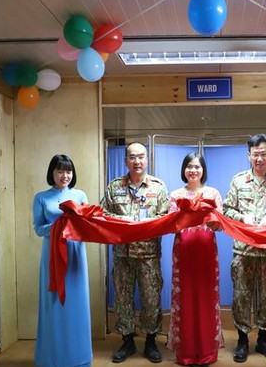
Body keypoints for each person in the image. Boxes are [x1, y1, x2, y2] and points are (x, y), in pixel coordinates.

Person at [222, 134, 266, 363]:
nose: (259, 158)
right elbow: (227, 210)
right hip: (243, 251)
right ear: (248, 156)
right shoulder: (238, 180)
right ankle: (242, 339)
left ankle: (263, 338)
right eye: (255, 154)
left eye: (263, 153)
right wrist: (244, 217)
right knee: (241, 295)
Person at [102, 142, 169, 364]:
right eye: (132, 157)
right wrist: (125, 221)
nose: (137, 161)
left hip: (149, 254)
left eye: (141, 157)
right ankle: (127, 340)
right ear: (126, 161)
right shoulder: (114, 187)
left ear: (147, 159)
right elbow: (103, 214)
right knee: (123, 298)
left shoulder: (158, 187)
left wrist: (147, 223)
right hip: (123, 255)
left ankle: (150, 340)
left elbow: (166, 218)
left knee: (151, 299)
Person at [32, 154, 92, 367]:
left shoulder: (80, 195)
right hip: (52, 255)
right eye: (60, 171)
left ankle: (79, 357)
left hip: (75, 254)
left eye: (68, 171)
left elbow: (87, 225)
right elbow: (38, 229)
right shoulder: (41, 197)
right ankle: (52, 357)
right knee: (54, 303)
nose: (64, 175)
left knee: (77, 303)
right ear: (52, 173)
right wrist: (59, 226)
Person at [167, 153, 225, 367]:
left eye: (197, 167)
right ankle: (187, 353)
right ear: (184, 169)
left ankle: (207, 351)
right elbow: (171, 224)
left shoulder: (213, 193)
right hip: (183, 252)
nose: (193, 170)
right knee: (185, 299)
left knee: (206, 298)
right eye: (189, 166)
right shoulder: (175, 195)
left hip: (207, 251)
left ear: (203, 170)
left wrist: (210, 219)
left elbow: (220, 224)